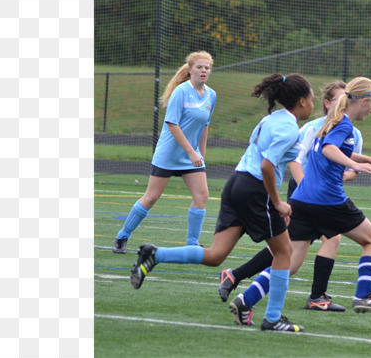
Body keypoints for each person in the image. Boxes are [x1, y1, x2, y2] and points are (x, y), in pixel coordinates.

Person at [129, 73, 315, 332]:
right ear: (303, 101)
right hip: (254, 189)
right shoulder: (289, 128)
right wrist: (277, 202)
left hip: (236, 183)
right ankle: (272, 319)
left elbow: (263, 159)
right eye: (312, 99)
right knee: (285, 253)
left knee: (216, 255)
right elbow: (266, 166)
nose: (313, 104)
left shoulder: (270, 120)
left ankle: (155, 254)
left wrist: (276, 200)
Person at [225, 76, 371, 319]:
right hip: (327, 199)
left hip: (302, 199)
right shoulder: (345, 125)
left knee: (290, 262)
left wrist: (367, 159)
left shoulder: (331, 122)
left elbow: (331, 147)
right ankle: (364, 295)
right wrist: (355, 164)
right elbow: (329, 149)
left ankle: (246, 299)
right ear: (364, 101)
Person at [113, 51, 216, 254]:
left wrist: (200, 154)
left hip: (191, 156)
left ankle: (192, 245)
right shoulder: (181, 91)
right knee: (151, 197)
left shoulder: (211, 95)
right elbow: (172, 124)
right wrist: (191, 152)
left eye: (207, 67)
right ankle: (122, 236)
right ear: (189, 70)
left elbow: (205, 125)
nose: (203, 70)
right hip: (169, 154)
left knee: (202, 195)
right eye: (199, 67)